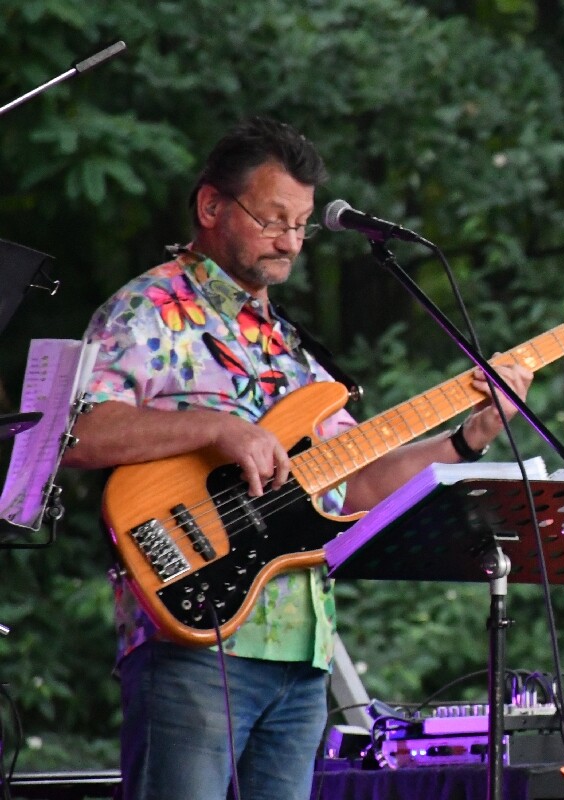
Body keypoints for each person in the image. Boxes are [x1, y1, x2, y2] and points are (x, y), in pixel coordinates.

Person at [62, 116, 533, 800]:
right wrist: (217, 428)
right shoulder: (150, 308)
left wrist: (465, 439)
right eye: (273, 219)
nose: (289, 241)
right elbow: (75, 432)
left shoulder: (294, 346)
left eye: (302, 225)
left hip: (303, 655)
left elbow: (355, 484)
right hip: (192, 638)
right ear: (211, 205)